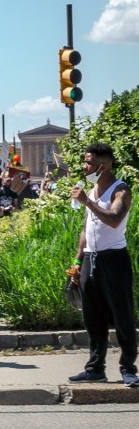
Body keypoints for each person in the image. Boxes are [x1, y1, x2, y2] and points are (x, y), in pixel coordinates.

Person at [67, 143, 137, 387]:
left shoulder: (121, 190)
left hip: (113, 259)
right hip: (90, 258)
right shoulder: (93, 190)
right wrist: (77, 262)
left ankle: (128, 368)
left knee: (122, 315)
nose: (84, 167)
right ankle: (95, 368)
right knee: (92, 317)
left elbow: (115, 220)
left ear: (103, 166)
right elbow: (86, 230)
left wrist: (87, 201)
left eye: (88, 162)